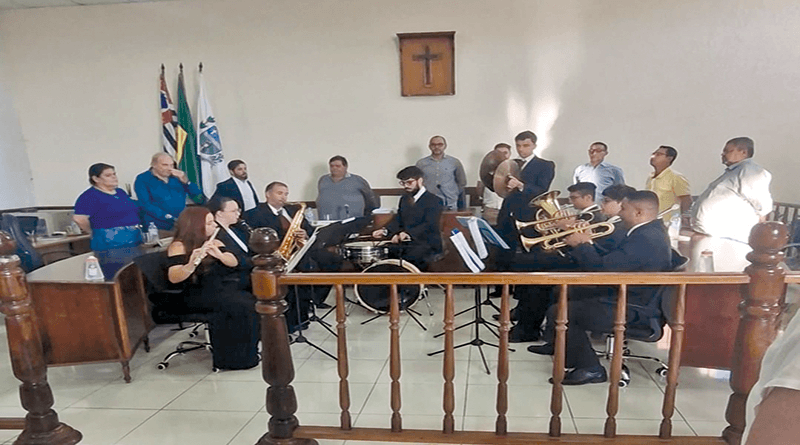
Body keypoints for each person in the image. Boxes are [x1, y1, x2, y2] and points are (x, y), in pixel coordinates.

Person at [528, 191, 676, 385]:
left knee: (562, 312)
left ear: (639, 213)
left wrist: (581, 246)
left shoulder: (646, 238)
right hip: (628, 294)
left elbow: (603, 271)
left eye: (624, 209)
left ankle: (590, 368)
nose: (620, 213)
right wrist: (588, 241)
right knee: (562, 291)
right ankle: (561, 345)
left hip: (635, 308)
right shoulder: (647, 232)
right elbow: (613, 259)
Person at [165, 206, 260, 370]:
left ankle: (248, 353)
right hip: (195, 292)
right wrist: (190, 264)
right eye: (209, 223)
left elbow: (234, 260)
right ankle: (231, 360)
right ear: (195, 224)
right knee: (240, 305)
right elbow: (174, 277)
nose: (215, 226)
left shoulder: (214, 240)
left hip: (218, 287)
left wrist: (220, 255)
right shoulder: (178, 246)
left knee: (250, 301)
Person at [244, 181, 340, 321]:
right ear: (267, 194)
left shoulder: (292, 211)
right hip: (279, 254)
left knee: (333, 259)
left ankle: (315, 299)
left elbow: (309, 229)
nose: (284, 197)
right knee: (305, 268)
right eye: (279, 193)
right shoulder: (255, 214)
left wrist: (304, 234)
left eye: (286, 194)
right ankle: (299, 314)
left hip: (300, 249)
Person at [691, 137, 772, 244]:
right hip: (713, 234)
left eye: (727, 151)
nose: (722, 154)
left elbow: (760, 202)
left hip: (728, 238)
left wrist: (761, 228)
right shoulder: (734, 171)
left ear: (743, 152)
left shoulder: (750, 170)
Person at [372, 166, 443, 270]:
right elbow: (399, 219)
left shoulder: (434, 200)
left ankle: (413, 285)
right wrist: (385, 231)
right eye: (403, 183)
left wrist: (408, 233)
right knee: (385, 251)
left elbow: (429, 224)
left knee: (411, 255)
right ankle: (392, 285)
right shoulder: (404, 199)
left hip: (427, 242)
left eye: (409, 182)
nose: (406, 186)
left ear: (420, 181)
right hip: (408, 242)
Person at [496, 130, 556, 251]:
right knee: (504, 250)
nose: (521, 149)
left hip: (529, 214)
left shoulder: (545, 165)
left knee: (527, 253)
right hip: (507, 213)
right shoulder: (509, 164)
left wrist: (520, 185)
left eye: (526, 145)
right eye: (518, 145)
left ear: (534, 146)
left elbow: (542, 190)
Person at [73, 163, 143, 251]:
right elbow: (79, 219)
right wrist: (92, 232)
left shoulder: (120, 192)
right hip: (110, 241)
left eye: (114, 174)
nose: (114, 177)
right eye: (108, 175)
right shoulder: (90, 196)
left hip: (134, 237)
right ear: (95, 178)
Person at [134, 153, 204, 230]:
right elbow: (145, 204)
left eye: (171, 165)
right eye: (165, 165)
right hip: (158, 225)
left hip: (181, 222)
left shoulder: (177, 177)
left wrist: (186, 181)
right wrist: (167, 217)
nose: (170, 168)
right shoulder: (142, 179)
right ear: (153, 164)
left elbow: (197, 196)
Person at [208, 196, 252, 290]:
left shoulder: (237, 229)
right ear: (219, 214)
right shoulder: (215, 234)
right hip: (234, 280)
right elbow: (235, 259)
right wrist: (256, 262)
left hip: (247, 273)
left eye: (238, 210)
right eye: (233, 211)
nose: (238, 214)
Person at [316, 155, 378, 220]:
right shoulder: (323, 180)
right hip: (327, 220)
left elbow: (369, 197)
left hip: (351, 220)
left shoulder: (358, 180)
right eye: (332, 166)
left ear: (345, 167)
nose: (334, 168)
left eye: (338, 166)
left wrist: (369, 215)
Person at [415, 135, 467, 210]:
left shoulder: (454, 162)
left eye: (440, 144)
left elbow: (461, 182)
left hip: (450, 203)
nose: (436, 147)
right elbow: (417, 183)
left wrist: (453, 193)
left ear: (445, 146)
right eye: (433, 145)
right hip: (428, 203)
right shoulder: (421, 163)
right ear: (429, 146)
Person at [645, 145, 691, 221]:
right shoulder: (651, 177)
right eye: (653, 154)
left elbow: (686, 200)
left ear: (669, 158)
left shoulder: (676, 177)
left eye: (658, 154)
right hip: (653, 220)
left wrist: (685, 221)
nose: (653, 157)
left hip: (669, 221)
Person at [476, 143, 511, 225]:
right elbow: (479, 189)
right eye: (499, 152)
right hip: (490, 209)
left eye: (505, 153)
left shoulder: (515, 169)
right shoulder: (485, 170)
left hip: (507, 209)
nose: (502, 155)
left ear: (509, 154)